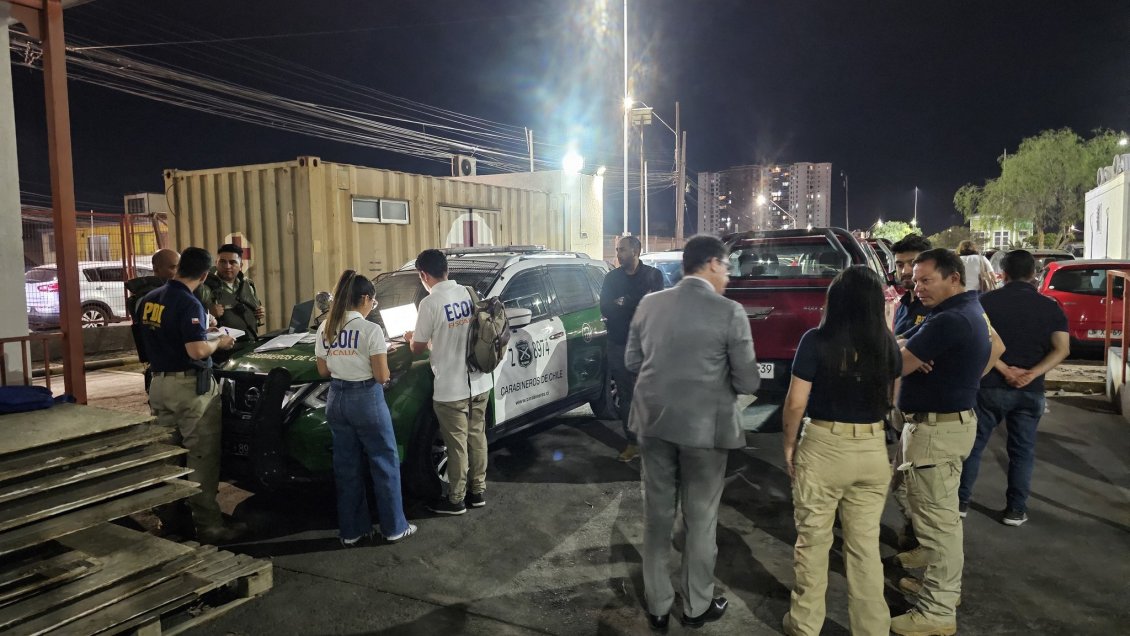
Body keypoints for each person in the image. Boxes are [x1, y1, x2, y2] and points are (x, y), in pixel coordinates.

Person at [626, 235, 761, 631]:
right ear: (714, 264)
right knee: (700, 519)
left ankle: (657, 604)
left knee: (657, 515)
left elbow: (633, 359)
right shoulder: (729, 312)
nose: (729, 278)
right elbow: (750, 380)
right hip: (705, 430)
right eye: (728, 269)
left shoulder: (650, 304)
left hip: (652, 423)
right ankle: (696, 605)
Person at [780, 266, 900, 636]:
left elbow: (796, 403)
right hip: (871, 448)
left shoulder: (815, 341)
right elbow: (891, 403)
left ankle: (804, 624)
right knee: (864, 548)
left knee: (814, 542)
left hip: (825, 447)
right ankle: (872, 628)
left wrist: (788, 445)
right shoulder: (888, 345)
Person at [890, 248, 1004, 636]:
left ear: (953, 278)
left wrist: (907, 351)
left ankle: (937, 611)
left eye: (926, 279)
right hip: (947, 425)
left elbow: (895, 364)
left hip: (936, 431)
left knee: (940, 525)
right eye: (915, 279)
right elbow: (995, 348)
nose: (916, 286)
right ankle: (941, 589)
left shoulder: (949, 320)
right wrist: (959, 375)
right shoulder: (967, 312)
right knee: (940, 518)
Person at [135, 247, 244, 544]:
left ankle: (169, 519)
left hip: (159, 384)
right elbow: (196, 350)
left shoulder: (148, 300)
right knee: (201, 459)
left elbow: (148, 343)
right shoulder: (188, 301)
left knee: (168, 457)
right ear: (205, 274)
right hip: (190, 389)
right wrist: (218, 342)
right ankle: (209, 526)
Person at [959, 250, 1069, 527]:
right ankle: (1015, 510)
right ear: (1034, 274)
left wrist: (1005, 368)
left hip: (989, 386)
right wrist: (1032, 373)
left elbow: (979, 341)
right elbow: (1062, 349)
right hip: (1030, 391)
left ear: (1003, 273)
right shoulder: (1050, 306)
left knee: (974, 447)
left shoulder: (985, 302)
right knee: (1022, 451)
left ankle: (960, 503)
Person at [315, 270, 415, 546]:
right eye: (373, 301)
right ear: (365, 298)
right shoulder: (370, 330)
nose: (373, 306)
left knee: (346, 467)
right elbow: (382, 376)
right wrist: (379, 355)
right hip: (366, 399)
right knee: (384, 462)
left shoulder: (326, 328)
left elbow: (323, 369)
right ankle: (394, 527)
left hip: (336, 399)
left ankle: (351, 532)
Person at [405, 249, 493, 516]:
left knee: (456, 445)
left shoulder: (430, 304)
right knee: (477, 437)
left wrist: (411, 336)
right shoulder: (467, 293)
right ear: (446, 269)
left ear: (424, 275)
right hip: (479, 381)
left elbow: (417, 348)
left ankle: (455, 500)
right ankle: (477, 492)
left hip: (451, 387)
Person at [599, 235, 664, 462]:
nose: (618, 254)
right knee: (626, 397)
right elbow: (605, 308)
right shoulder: (611, 278)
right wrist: (634, 302)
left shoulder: (653, 276)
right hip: (619, 344)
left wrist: (624, 302)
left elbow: (656, 308)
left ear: (636, 250)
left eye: (623, 249)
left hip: (647, 345)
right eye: (617, 250)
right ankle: (632, 442)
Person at [126, 249, 180, 392]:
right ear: (156, 269)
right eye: (173, 267)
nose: (178, 271)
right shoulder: (147, 297)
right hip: (162, 369)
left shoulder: (174, 293)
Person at [197, 243, 264, 341]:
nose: (227, 266)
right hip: (221, 349)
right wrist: (208, 315)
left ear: (240, 265)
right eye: (223, 262)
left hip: (250, 343)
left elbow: (256, 309)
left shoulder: (248, 285)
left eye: (232, 262)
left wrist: (260, 312)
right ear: (216, 263)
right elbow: (193, 319)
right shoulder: (204, 287)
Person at [890, 234, 932, 337]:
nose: (905, 271)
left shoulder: (937, 306)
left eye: (913, 264)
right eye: (900, 265)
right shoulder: (902, 305)